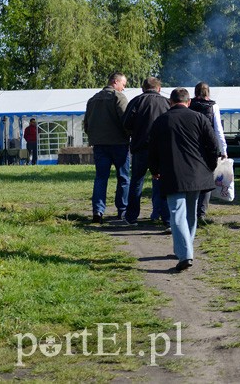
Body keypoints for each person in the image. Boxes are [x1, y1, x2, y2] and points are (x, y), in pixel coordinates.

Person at [149, 88, 219, 272]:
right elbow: (214, 145)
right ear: (188, 102)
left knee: (177, 213)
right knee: (189, 214)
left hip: (172, 173)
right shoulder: (200, 118)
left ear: (170, 102)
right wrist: (210, 167)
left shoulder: (161, 121)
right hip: (197, 173)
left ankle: (185, 253)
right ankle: (185, 249)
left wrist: (155, 170)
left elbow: (153, 149)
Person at [122, 76, 170, 227]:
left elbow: (126, 122)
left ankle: (131, 217)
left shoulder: (136, 101)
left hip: (140, 147)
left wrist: (135, 131)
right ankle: (166, 218)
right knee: (163, 182)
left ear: (143, 88)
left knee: (136, 181)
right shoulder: (166, 102)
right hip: (161, 149)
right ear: (159, 88)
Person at [84, 72, 131, 224]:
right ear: (115, 82)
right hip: (119, 144)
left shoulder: (93, 99)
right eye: (123, 85)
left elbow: (86, 124)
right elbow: (126, 120)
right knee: (123, 178)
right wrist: (129, 134)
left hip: (99, 145)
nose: (124, 88)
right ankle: (122, 211)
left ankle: (98, 210)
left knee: (100, 178)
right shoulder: (118, 97)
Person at [189, 82, 228, 224]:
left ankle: (191, 211)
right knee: (207, 179)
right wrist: (223, 149)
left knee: (192, 178)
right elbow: (218, 129)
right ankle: (201, 213)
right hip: (208, 146)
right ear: (208, 92)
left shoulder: (189, 104)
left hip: (192, 146)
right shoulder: (213, 106)